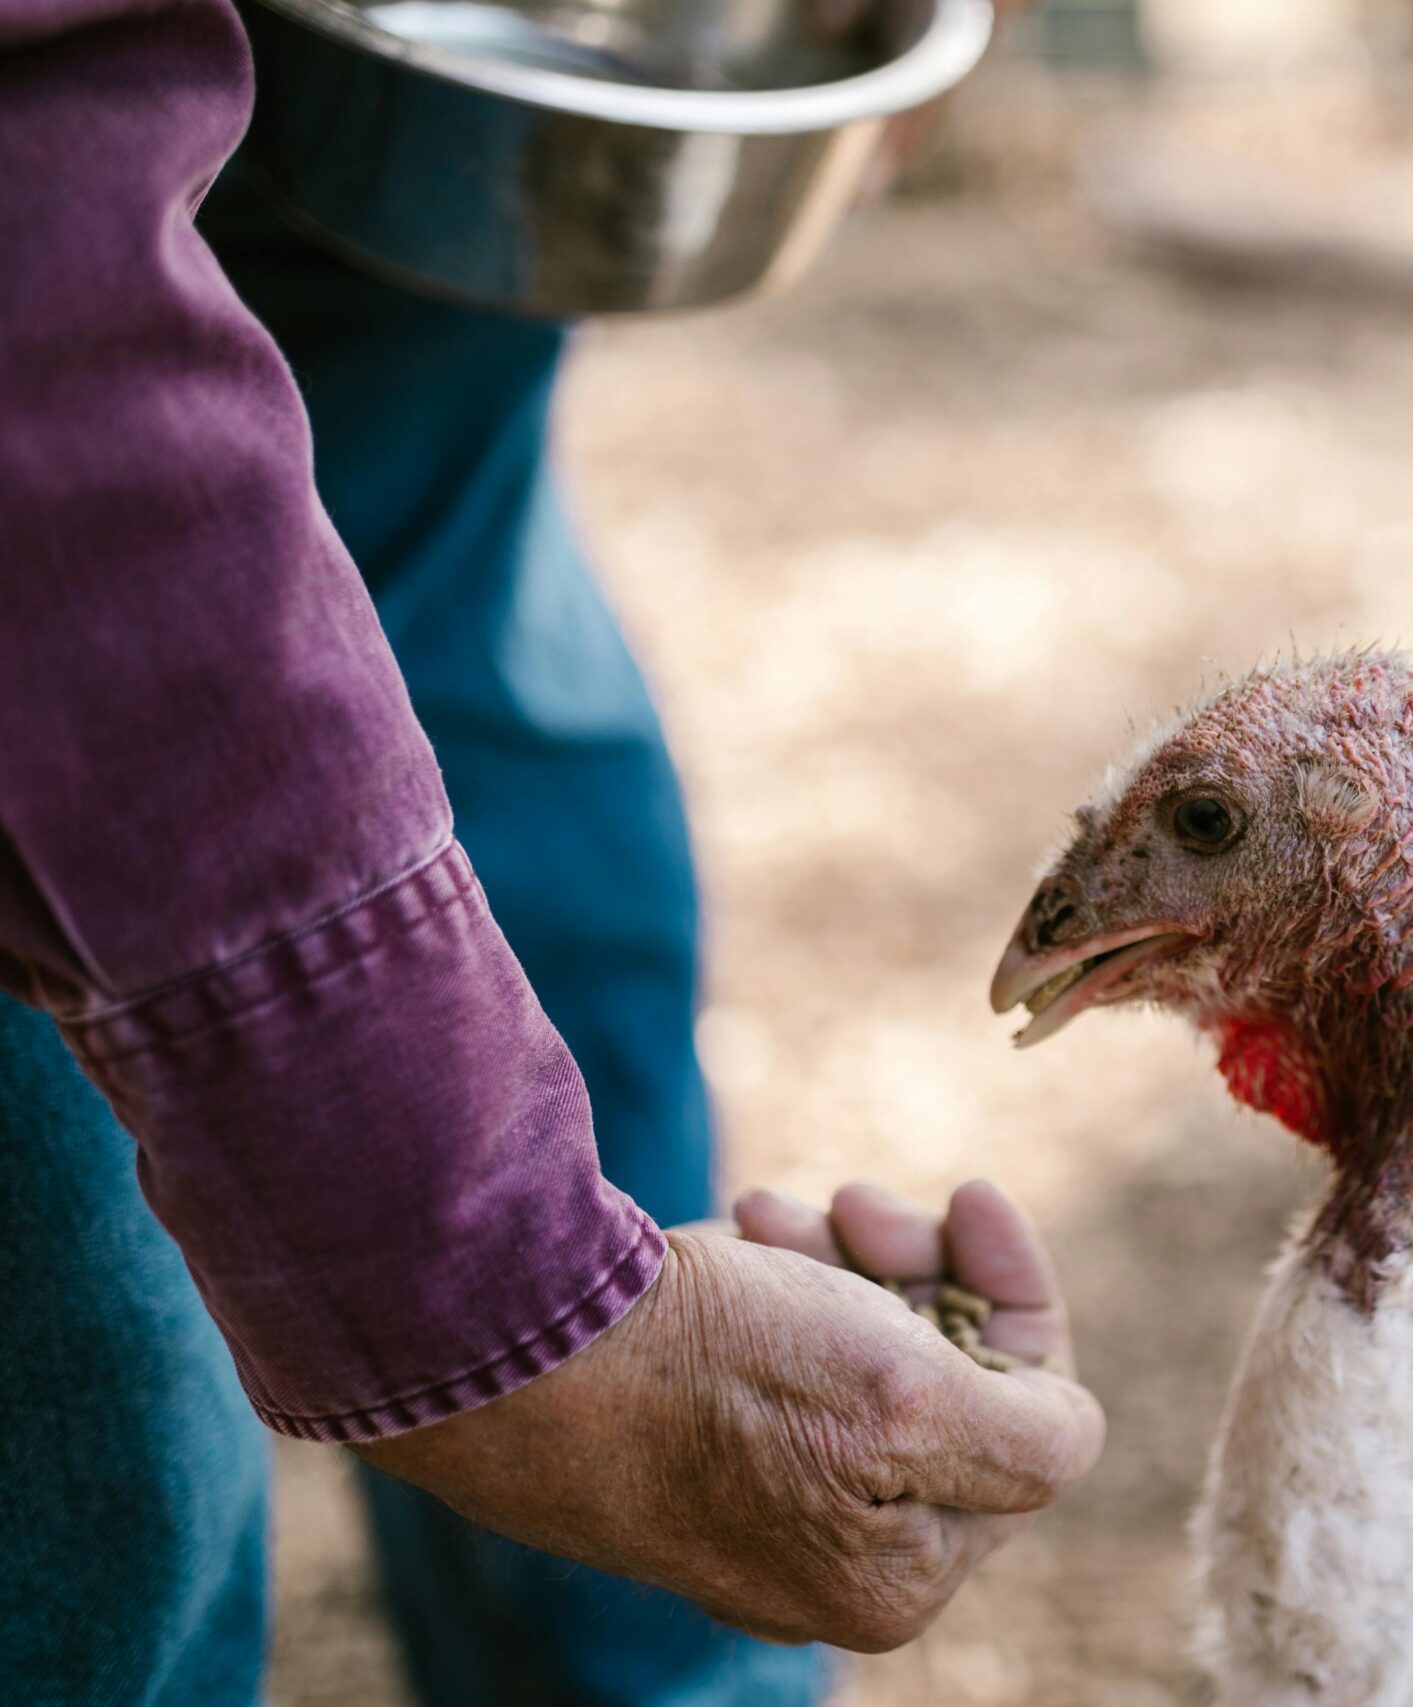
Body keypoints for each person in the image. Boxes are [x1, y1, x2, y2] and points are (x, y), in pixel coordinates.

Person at [0, 2, 1098, 1704]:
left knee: (510, 802)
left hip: (377, 103)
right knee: (88, 1448)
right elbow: (47, 368)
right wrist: (520, 1313)